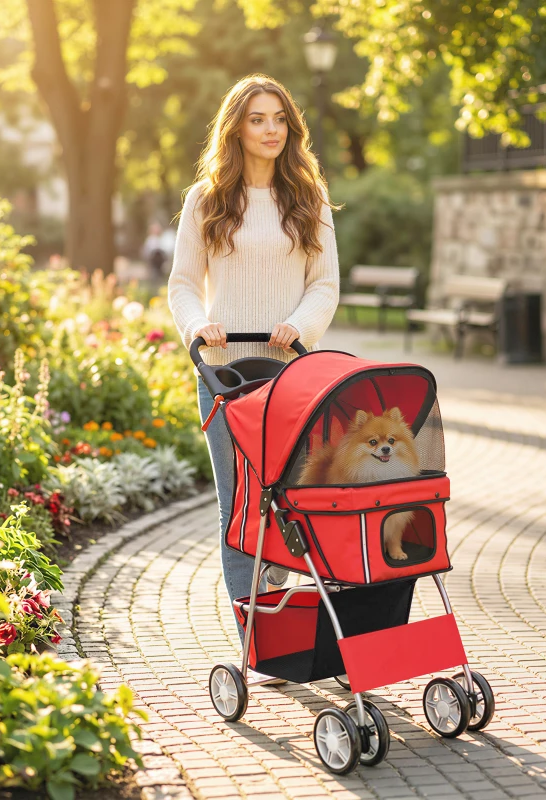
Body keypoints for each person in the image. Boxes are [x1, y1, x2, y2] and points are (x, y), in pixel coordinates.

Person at [167, 74, 340, 677]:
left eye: (279, 119)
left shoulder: (308, 197)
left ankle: (306, 623)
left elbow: (324, 284)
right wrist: (197, 328)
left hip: (289, 375)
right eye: (257, 119)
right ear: (236, 127)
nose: (271, 130)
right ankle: (255, 634)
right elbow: (184, 284)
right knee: (238, 506)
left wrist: (299, 326)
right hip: (223, 373)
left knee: (293, 501)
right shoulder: (206, 199)